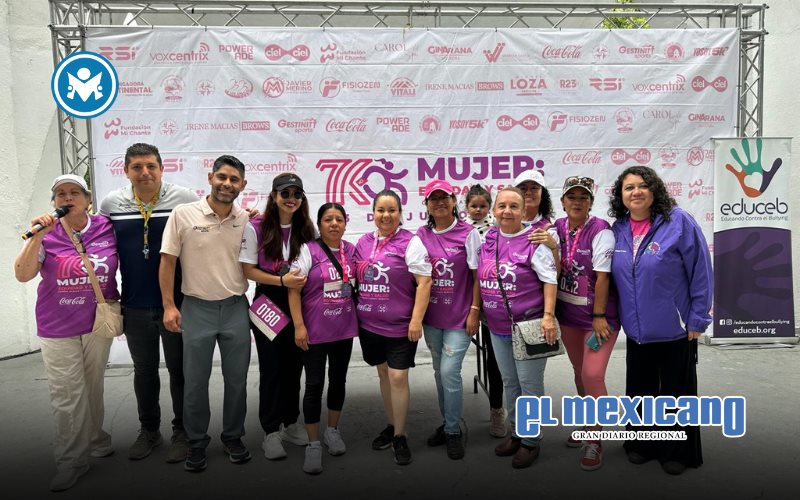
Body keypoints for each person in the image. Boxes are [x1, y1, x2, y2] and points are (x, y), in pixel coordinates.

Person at [14, 174, 119, 491]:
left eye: (75, 192)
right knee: (66, 393)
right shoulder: (46, 234)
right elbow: (23, 275)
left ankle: (96, 437)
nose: (67, 197)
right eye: (60, 194)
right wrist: (37, 238)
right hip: (57, 326)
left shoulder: (105, 226)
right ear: (54, 202)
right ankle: (71, 460)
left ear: (88, 199)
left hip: (97, 323)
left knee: (92, 384)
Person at [608, 165, 712, 476]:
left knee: (675, 394)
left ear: (655, 190)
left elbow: (701, 272)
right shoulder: (618, 230)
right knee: (640, 391)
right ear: (621, 195)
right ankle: (642, 444)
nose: (635, 192)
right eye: (628, 187)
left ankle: (675, 451)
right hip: (638, 332)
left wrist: (697, 318)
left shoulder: (678, 222)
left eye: (642, 185)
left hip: (675, 329)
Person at [99, 143, 198, 463]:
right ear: (126, 171)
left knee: (180, 372)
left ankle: (182, 432)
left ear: (161, 168)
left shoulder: (184, 198)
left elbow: (211, 225)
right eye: (137, 167)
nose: (145, 173)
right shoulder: (112, 204)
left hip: (178, 304)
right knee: (144, 372)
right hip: (135, 304)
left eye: (151, 166)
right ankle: (150, 431)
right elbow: (91, 239)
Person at [159, 155, 252, 472]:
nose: (228, 184)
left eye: (234, 179)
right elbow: (168, 262)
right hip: (196, 308)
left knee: (237, 380)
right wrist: (169, 306)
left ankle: (233, 437)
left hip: (236, 308)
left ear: (243, 185)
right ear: (211, 177)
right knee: (195, 382)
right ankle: (196, 443)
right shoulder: (183, 214)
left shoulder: (245, 219)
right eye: (222, 177)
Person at [477, 187, 558, 469]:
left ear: (524, 211)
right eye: (502, 206)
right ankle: (517, 432)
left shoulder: (534, 240)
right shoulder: (488, 238)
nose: (507, 211)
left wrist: (548, 316)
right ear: (494, 210)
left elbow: (550, 280)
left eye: (514, 206)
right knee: (511, 383)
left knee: (530, 385)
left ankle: (531, 441)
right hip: (497, 327)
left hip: (528, 328)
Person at [239, 173, 314, 460]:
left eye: (296, 193)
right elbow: (249, 271)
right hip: (268, 301)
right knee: (271, 367)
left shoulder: (307, 228)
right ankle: (270, 431)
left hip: (299, 302)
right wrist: (281, 282)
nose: (291, 198)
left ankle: (290, 423)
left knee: (294, 365)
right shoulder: (255, 227)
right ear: (273, 196)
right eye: (285, 193)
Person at [355, 189, 432, 466]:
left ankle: (400, 435)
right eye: (381, 210)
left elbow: (424, 282)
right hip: (369, 324)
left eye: (392, 210)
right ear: (373, 213)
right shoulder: (362, 242)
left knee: (399, 377)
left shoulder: (411, 242)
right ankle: (391, 425)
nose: (386, 216)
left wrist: (416, 320)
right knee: (384, 374)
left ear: (400, 214)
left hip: (400, 325)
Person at [553, 175, 619, 471]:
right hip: (568, 317)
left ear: (590, 202)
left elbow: (603, 276)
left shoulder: (600, 230)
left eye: (583, 197)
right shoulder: (557, 228)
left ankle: (596, 438)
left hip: (598, 320)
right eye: (571, 197)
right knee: (580, 373)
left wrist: (599, 316)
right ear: (563, 202)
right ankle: (587, 423)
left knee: (593, 375)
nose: (577, 202)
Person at [287, 203, 358, 474]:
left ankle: (332, 431)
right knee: (315, 384)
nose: (334, 224)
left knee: (338, 380)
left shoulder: (351, 251)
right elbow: (294, 290)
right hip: (314, 331)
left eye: (339, 219)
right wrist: (299, 326)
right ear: (319, 223)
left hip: (343, 329)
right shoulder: (307, 250)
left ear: (345, 223)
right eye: (328, 219)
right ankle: (313, 444)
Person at [417, 180, 482, 460]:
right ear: (427, 205)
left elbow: (478, 275)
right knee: (438, 373)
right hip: (432, 318)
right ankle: (448, 424)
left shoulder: (468, 233)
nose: (440, 203)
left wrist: (475, 311)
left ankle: (454, 431)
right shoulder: (420, 234)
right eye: (434, 199)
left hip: (459, 318)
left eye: (445, 198)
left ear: (454, 202)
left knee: (448, 373)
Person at [464, 184, 507, 438]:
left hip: (499, 299)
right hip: (473, 297)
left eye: (482, 205)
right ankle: (497, 409)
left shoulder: (499, 228)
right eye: (473, 206)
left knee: (500, 358)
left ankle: (502, 408)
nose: (478, 210)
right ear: (466, 207)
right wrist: (473, 305)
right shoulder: (462, 231)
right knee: (491, 356)